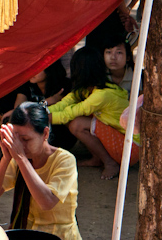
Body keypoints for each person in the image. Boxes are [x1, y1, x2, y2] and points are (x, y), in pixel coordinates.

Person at [0, 101, 83, 240]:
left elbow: (47, 201)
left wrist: (20, 158)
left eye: (26, 139)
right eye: (16, 138)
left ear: (45, 133)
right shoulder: (19, 159)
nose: (20, 145)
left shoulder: (65, 161)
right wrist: (6, 158)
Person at [49, 47, 139, 180]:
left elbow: (68, 113)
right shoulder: (88, 89)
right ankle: (98, 158)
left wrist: (42, 117)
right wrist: (42, 110)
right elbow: (63, 104)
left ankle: (110, 163)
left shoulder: (101, 95)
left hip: (131, 148)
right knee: (75, 120)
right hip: (122, 141)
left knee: (77, 124)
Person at [12, 61, 76, 151]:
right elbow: (18, 109)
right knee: (11, 117)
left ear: (49, 68)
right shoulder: (27, 84)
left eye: (37, 69)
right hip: (36, 133)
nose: (32, 72)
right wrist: (48, 101)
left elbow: (65, 114)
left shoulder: (62, 85)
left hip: (60, 134)